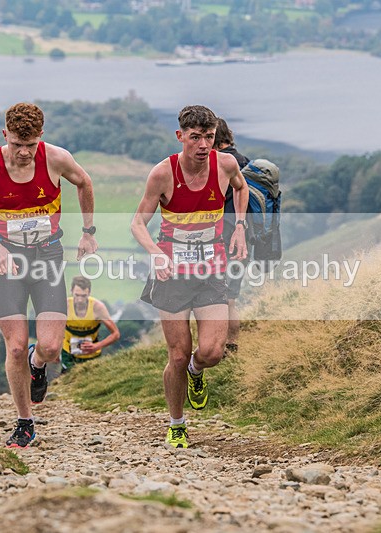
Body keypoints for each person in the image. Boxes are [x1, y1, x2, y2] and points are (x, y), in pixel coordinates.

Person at [0, 102, 98, 448]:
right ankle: (24, 421)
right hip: (8, 262)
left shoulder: (56, 158)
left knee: (49, 348)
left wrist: (88, 230)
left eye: (30, 145)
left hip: (48, 256)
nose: (23, 152)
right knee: (14, 347)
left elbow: (84, 182)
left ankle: (38, 363)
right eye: (17, 143)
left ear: (41, 138)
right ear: (5, 134)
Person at [131, 105, 248, 449]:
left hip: (211, 268)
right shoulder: (162, 174)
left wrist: (240, 227)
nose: (202, 145)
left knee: (212, 351)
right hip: (171, 272)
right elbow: (137, 223)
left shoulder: (226, 165)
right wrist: (155, 253)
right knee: (177, 355)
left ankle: (198, 372)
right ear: (180, 136)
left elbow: (240, 189)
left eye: (208, 137)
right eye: (195, 137)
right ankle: (177, 423)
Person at [214, 117, 250, 356]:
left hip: (225, 238)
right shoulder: (247, 162)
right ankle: (232, 345)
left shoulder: (221, 163)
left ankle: (220, 346)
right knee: (232, 298)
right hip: (246, 239)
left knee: (219, 299)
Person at [61, 276, 120, 372]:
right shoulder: (64, 305)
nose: (80, 300)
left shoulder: (98, 307)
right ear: (71, 291)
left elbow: (116, 334)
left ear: (89, 293)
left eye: (84, 296)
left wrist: (97, 346)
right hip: (68, 353)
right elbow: (54, 329)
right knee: (68, 383)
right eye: (77, 295)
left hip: (92, 355)